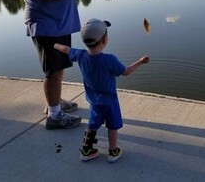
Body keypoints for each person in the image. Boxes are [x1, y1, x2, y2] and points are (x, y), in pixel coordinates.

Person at [21, 0, 98, 130]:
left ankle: (54, 101)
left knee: (59, 67)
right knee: (52, 71)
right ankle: (54, 116)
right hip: (46, 25)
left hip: (59, 24)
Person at [54, 18, 150, 162]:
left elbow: (66, 49)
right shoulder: (109, 59)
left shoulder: (80, 56)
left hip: (94, 102)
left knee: (92, 125)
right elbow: (126, 72)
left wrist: (54, 45)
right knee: (112, 126)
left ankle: (86, 151)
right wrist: (141, 61)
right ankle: (112, 152)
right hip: (110, 102)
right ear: (105, 40)